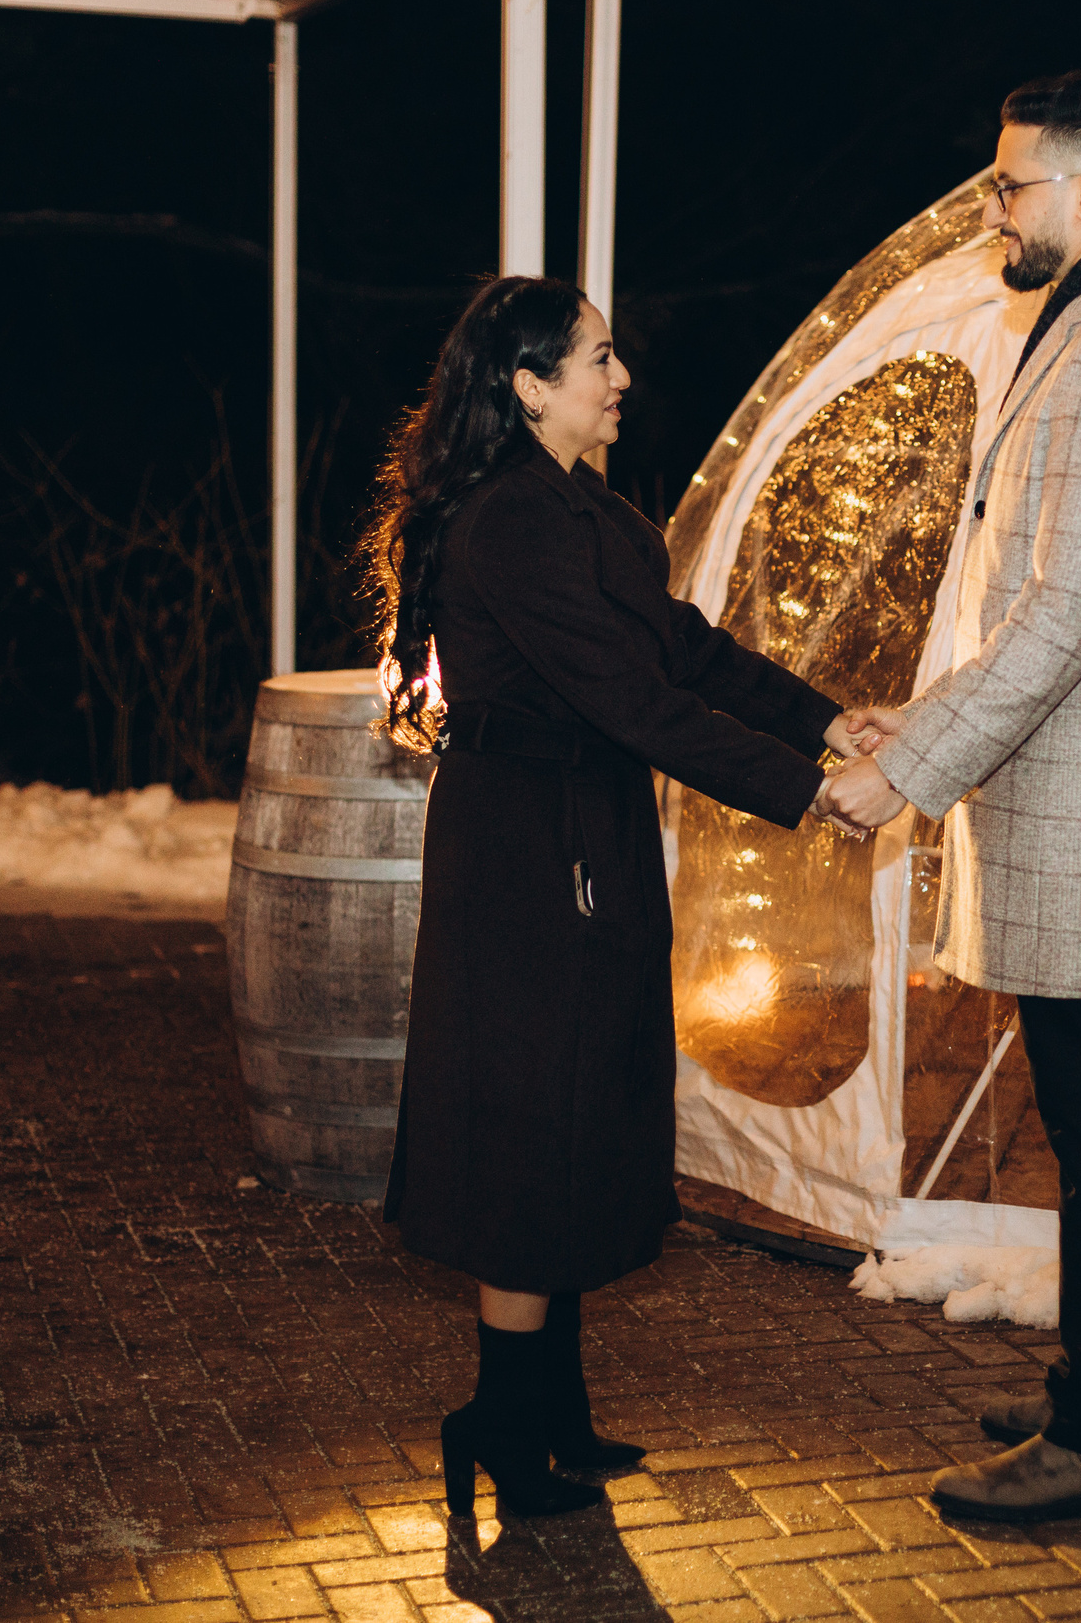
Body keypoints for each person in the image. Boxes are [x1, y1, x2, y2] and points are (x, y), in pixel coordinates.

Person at [363, 276, 882, 1519]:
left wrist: (820, 720)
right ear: (531, 387)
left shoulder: (572, 506)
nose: (622, 379)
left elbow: (680, 649)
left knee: (583, 1109)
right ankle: (500, 1419)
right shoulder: (512, 525)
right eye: (598, 359)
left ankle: (554, 1415)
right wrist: (805, 793)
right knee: (530, 1129)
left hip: (576, 835)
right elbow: (633, 703)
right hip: (523, 854)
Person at [822, 70, 1081, 1523]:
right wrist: (917, 715)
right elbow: (1042, 610)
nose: (991, 205)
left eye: (1010, 184)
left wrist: (902, 778)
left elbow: (1062, 616)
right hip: (1071, 802)